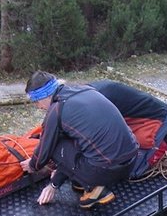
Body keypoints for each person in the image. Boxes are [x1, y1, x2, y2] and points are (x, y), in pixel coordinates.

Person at [20, 71, 139, 208]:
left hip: (107, 170)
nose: (38, 107)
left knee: (55, 144)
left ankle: (96, 190)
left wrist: (32, 165)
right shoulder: (85, 89)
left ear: (45, 96)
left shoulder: (57, 109)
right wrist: (55, 183)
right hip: (132, 160)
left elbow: (44, 152)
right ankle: (82, 180)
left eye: (37, 102)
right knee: (73, 138)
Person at [89, 80, 167, 179]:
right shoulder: (79, 97)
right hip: (127, 119)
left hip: (154, 118)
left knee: (130, 172)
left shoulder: (93, 106)